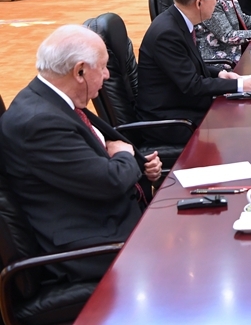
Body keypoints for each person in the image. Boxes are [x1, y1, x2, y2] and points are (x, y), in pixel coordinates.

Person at [0, 25, 162, 282]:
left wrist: (139, 165)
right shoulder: (38, 123)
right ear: (80, 71)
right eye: (103, 67)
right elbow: (109, 182)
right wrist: (126, 157)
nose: (108, 75)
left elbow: (92, 159)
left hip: (108, 216)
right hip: (91, 246)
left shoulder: (53, 99)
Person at [137, 0, 251, 144]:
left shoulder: (179, 21)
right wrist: (242, 84)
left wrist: (220, 73)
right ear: (199, 3)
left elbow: (189, 66)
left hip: (184, 106)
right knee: (241, 131)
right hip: (169, 120)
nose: (217, 2)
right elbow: (192, 85)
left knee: (243, 114)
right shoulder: (167, 33)